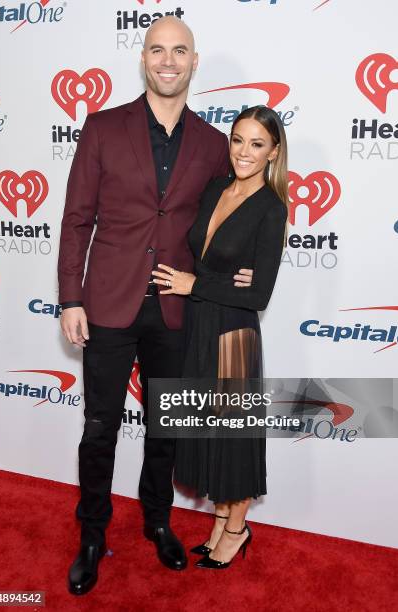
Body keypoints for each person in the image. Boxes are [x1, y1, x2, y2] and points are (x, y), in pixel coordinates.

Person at [58, 16, 253, 594]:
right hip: (108, 304)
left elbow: (224, 226)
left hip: (176, 308)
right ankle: (93, 534)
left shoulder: (215, 144)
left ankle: (157, 521)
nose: (168, 60)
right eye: (157, 49)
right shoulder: (101, 128)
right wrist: (71, 297)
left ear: (195, 62)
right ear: (143, 59)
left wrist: (237, 269)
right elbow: (76, 221)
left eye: (180, 51)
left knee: (166, 427)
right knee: (100, 428)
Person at [152, 105, 288, 569]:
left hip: (233, 334)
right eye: (237, 140)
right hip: (199, 326)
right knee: (207, 429)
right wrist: (218, 283)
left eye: (256, 144)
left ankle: (236, 528)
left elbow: (260, 294)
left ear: (273, 153)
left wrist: (200, 285)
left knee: (233, 437)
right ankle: (218, 522)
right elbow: (205, 258)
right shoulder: (215, 189)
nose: (243, 152)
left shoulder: (271, 207)